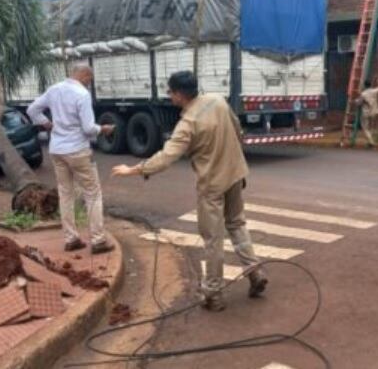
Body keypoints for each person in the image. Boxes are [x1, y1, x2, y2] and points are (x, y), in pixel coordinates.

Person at [112, 70, 267, 312]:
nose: (169, 96)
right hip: (236, 174)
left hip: (212, 185)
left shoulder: (188, 124)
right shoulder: (218, 100)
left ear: (179, 94)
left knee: (213, 239)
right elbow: (238, 130)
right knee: (237, 224)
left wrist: (133, 170)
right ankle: (255, 272)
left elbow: (166, 157)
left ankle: (214, 294)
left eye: (170, 92)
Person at [27, 64, 115, 254]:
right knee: (92, 194)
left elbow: (32, 110)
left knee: (65, 194)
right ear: (84, 75)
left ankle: (71, 239)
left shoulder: (54, 89)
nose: (89, 85)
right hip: (78, 150)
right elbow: (88, 128)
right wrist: (103, 129)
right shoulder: (82, 94)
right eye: (89, 80)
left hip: (57, 150)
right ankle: (98, 240)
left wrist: (47, 124)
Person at [355, 78, 378, 146]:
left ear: (365, 86)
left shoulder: (363, 94)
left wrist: (355, 101)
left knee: (365, 128)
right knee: (371, 126)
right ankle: (372, 138)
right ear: (370, 85)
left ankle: (371, 142)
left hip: (366, 113)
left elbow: (359, 103)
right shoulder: (374, 91)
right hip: (374, 112)